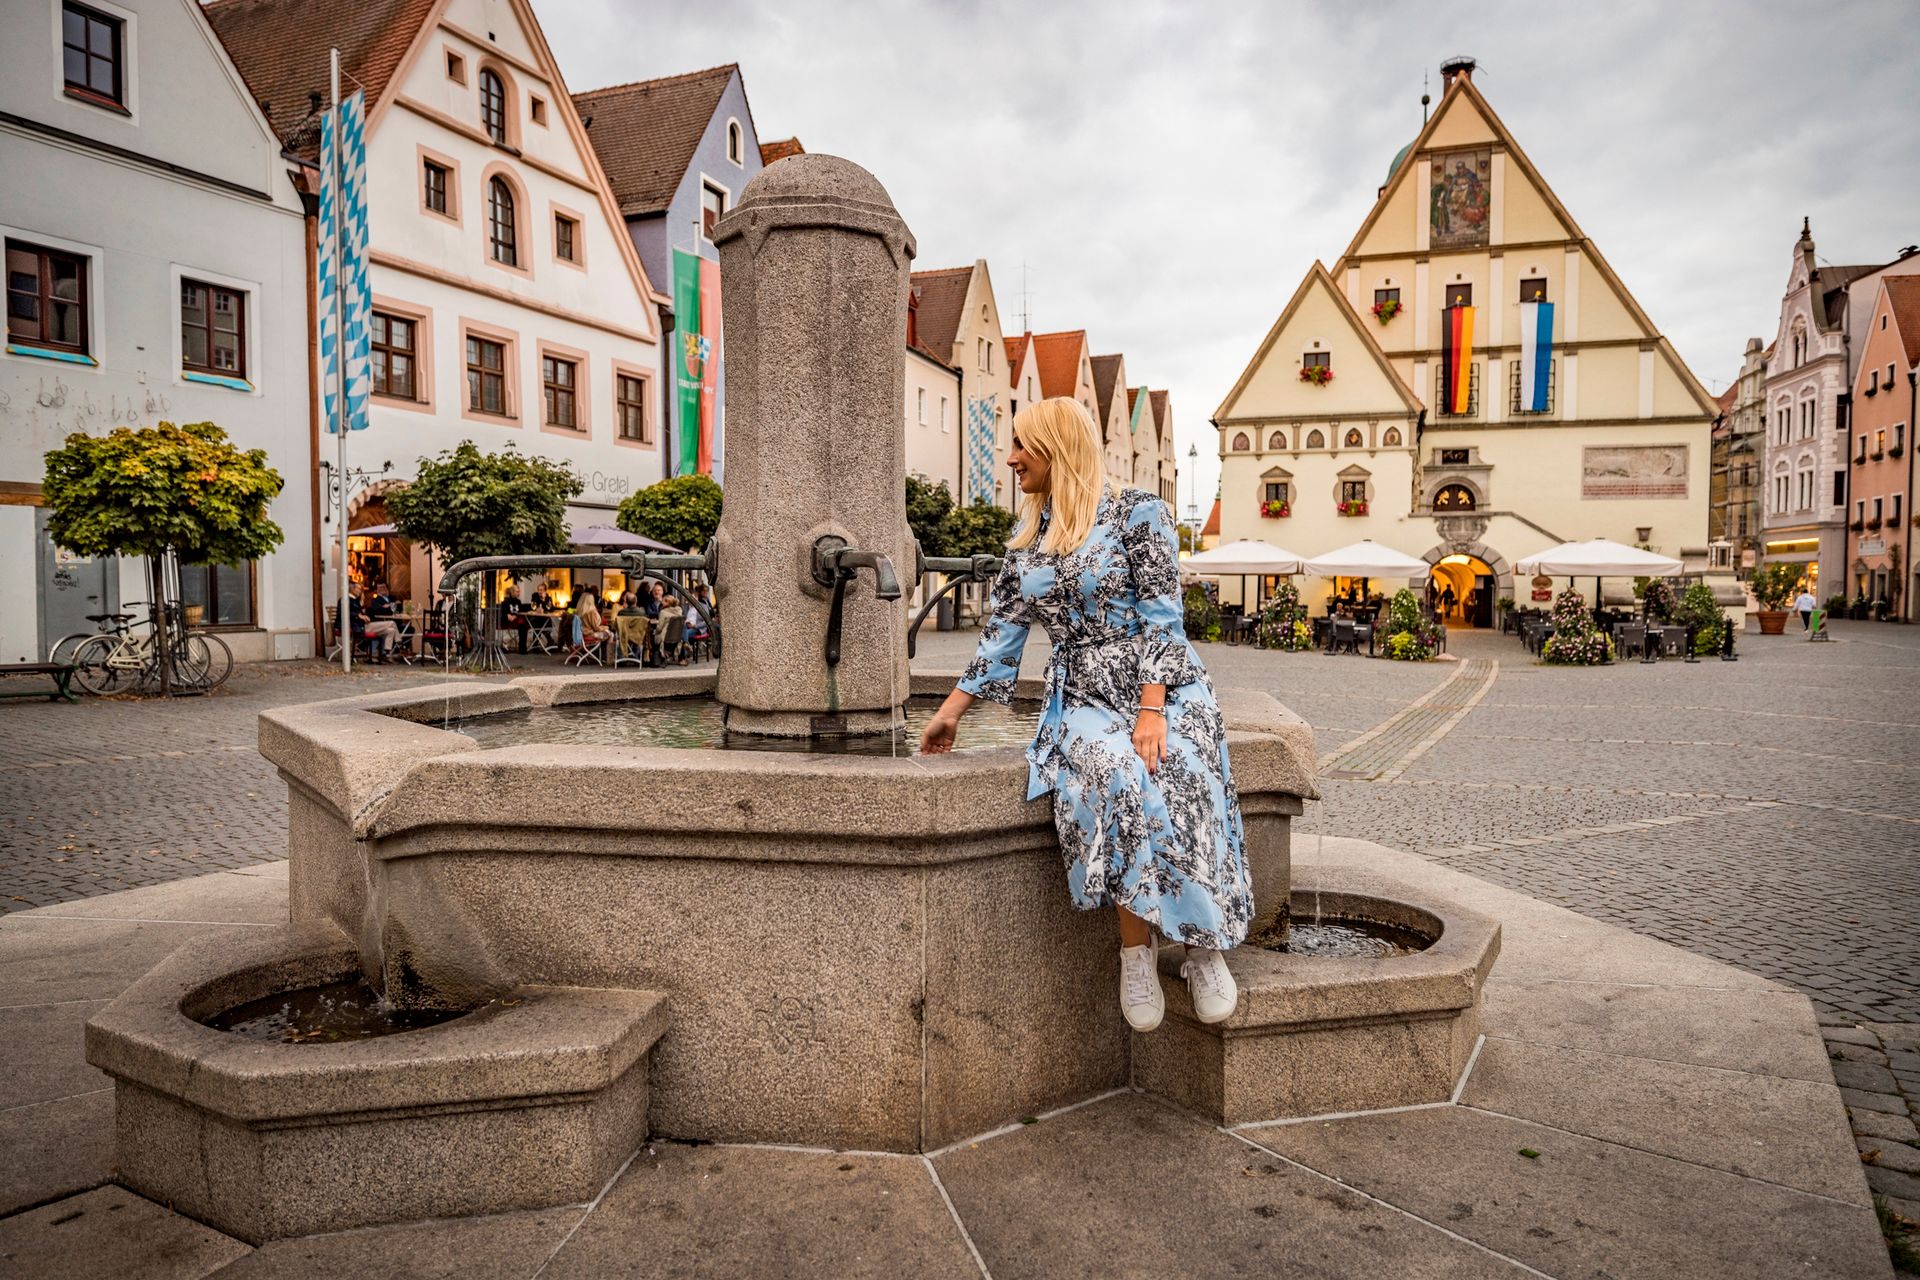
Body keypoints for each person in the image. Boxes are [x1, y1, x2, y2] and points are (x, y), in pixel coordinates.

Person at [920, 397, 1251, 1033]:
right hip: (1081, 697)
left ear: (1058, 448)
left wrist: (1152, 709)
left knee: (1179, 768)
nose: (1011, 457)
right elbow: (1001, 638)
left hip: (1164, 685)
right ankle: (1135, 954)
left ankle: (1202, 948)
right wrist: (951, 713)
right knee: (1116, 776)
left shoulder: (1138, 513)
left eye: (1023, 445)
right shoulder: (1026, 547)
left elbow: (1162, 617)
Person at [353, 589, 400, 662]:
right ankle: (399, 641)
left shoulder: (364, 605)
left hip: (369, 625)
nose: (364, 597)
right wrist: (363, 616)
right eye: (363, 595)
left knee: (391, 630)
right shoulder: (356, 604)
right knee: (392, 623)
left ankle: (386, 652)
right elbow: (356, 616)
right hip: (364, 627)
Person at [501, 583, 531, 654]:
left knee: (523, 624)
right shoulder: (506, 601)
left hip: (516, 621)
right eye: (517, 591)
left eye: (519, 591)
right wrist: (507, 615)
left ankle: (522, 648)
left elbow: (520, 611)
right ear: (512, 592)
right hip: (507, 621)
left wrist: (515, 616)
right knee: (521, 623)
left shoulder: (518, 602)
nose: (519, 593)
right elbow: (503, 612)